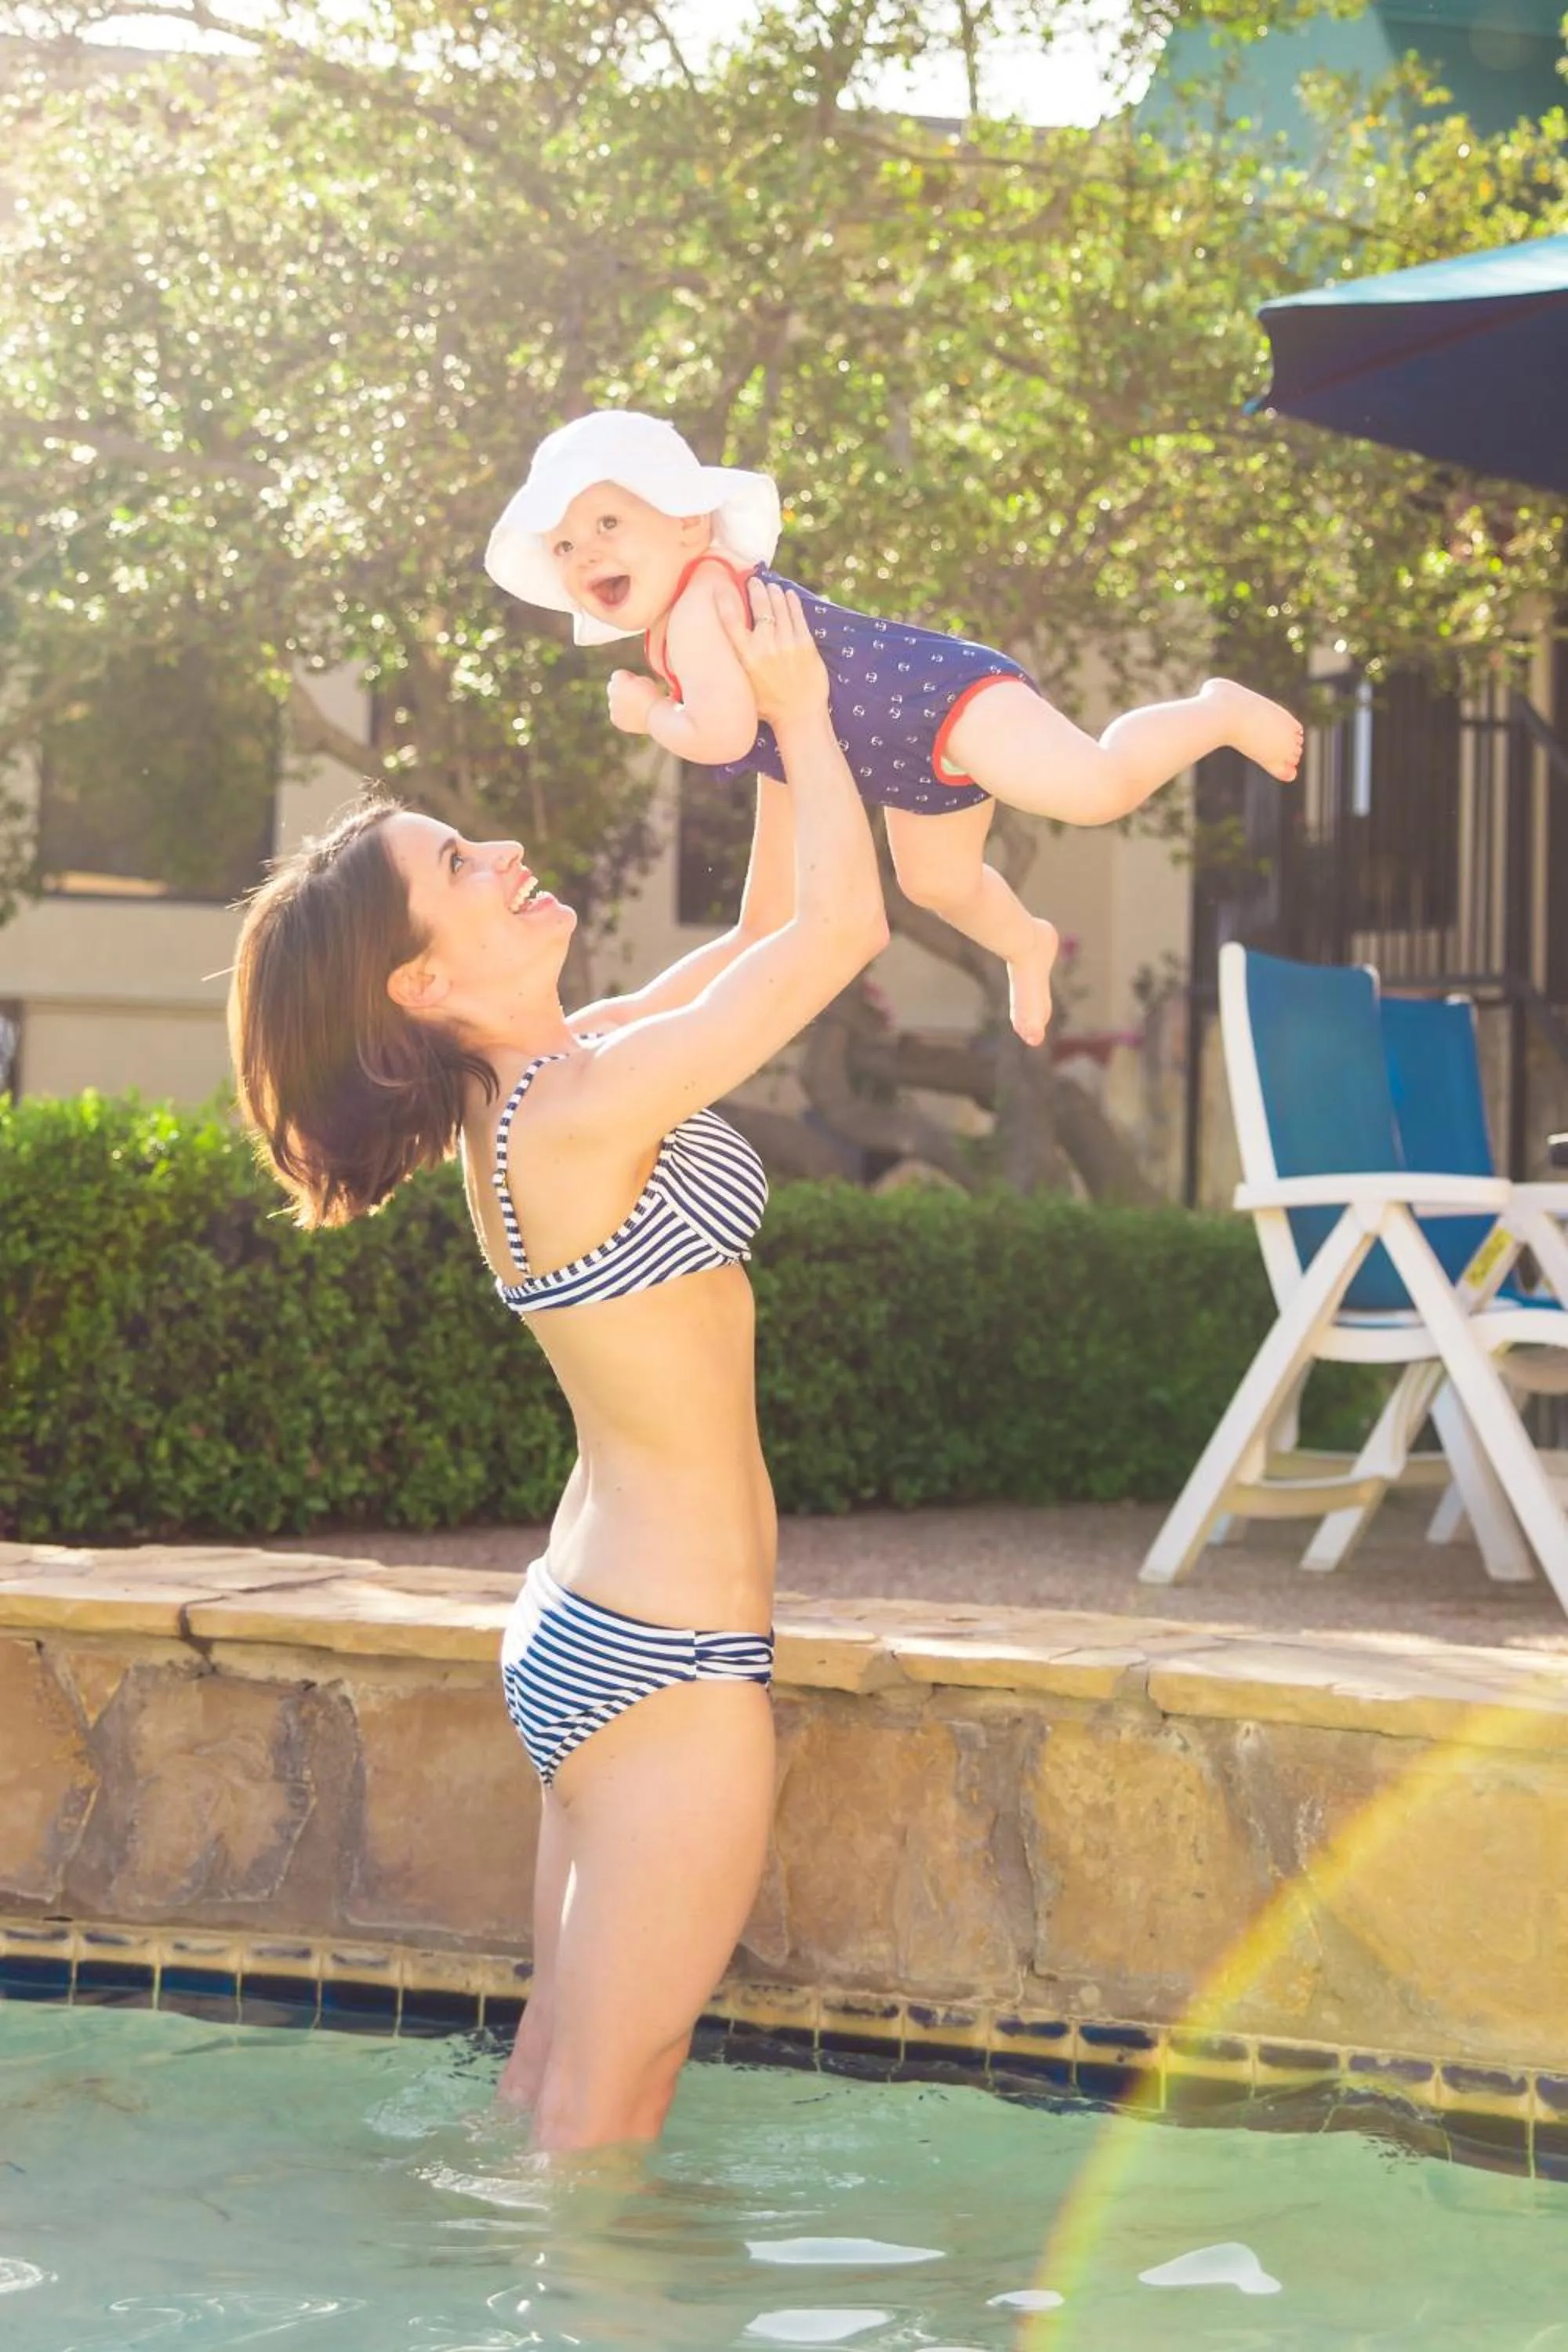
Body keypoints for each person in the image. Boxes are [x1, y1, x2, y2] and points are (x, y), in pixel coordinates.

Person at [228, 580, 887, 2154]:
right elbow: (844, 935)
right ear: (423, 985)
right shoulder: (571, 1115)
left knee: (556, 2095)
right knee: (600, 2125)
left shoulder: (557, 1079)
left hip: (597, 1632)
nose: (504, 855)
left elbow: (759, 935)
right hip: (665, 1670)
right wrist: (807, 707)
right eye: (461, 867)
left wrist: (752, 705)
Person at [485, 408, 1305, 1049]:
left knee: (1091, 789)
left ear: (689, 526)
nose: (584, 554)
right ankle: (1025, 943)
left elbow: (726, 737)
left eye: (606, 525)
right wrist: (612, 1024)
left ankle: (1213, 710)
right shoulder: (688, 629)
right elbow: (762, 907)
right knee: (937, 884)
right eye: (562, 544)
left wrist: (649, 715)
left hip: (942, 698)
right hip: (890, 761)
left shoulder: (700, 606)